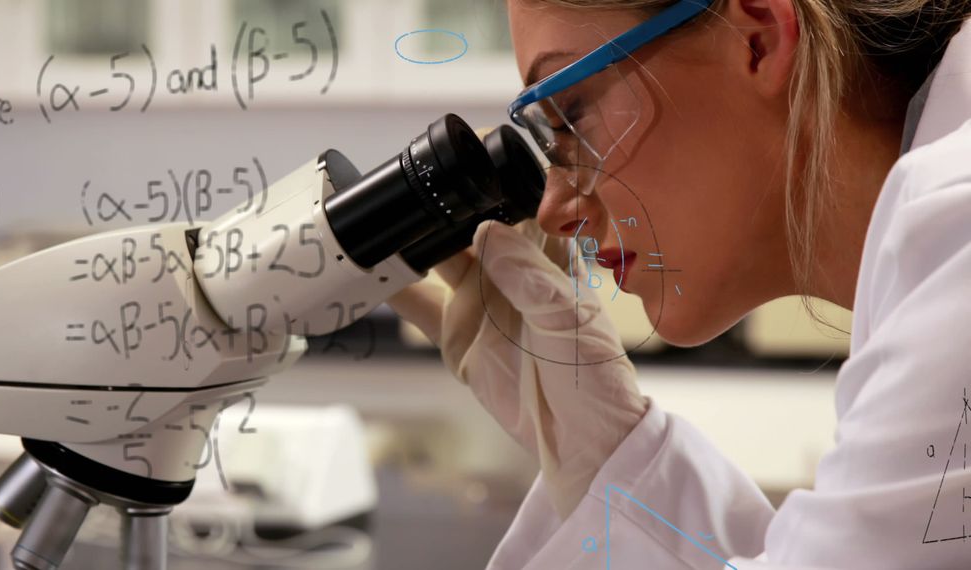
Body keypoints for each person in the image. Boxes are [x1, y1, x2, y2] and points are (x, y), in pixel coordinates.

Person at [387, 0, 971, 567]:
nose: (555, 209)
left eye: (572, 115)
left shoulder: (959, 237)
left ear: (758, 38)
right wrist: (613, 457)